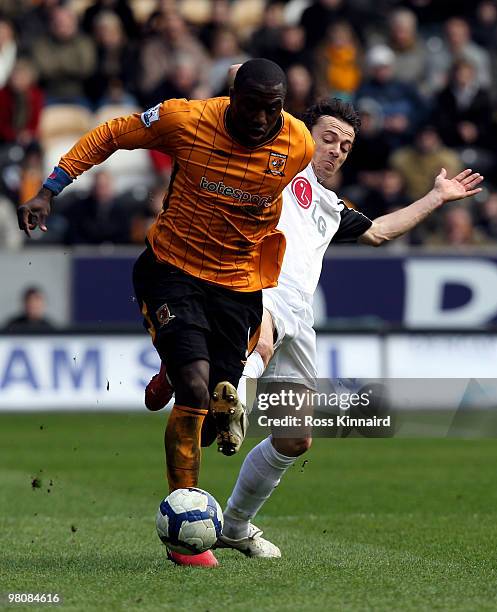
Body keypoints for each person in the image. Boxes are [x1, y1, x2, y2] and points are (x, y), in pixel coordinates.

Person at [145, 94, 483, 558]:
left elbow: (380, 232)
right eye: (328, 138)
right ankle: (233, 398)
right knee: (257, 338)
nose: (336, 150)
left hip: (301, 319)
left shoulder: (331, 207)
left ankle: (236, 525)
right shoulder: (277, 164)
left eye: (345, 145)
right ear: (304, 135)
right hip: (254, 291)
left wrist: (437, 197)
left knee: (294, 438)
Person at [17, 58, 315, 568]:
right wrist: (49, 190)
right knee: (198, 389)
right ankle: (186, 539)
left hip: (238, 286)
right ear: (232, 97)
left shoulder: (298, 142)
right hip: (171, 270)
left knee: (213, 411)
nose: (264, 118)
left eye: (274, 108)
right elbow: (112, 133)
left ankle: (171, 373)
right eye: (254, 106)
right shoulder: (186, 119)